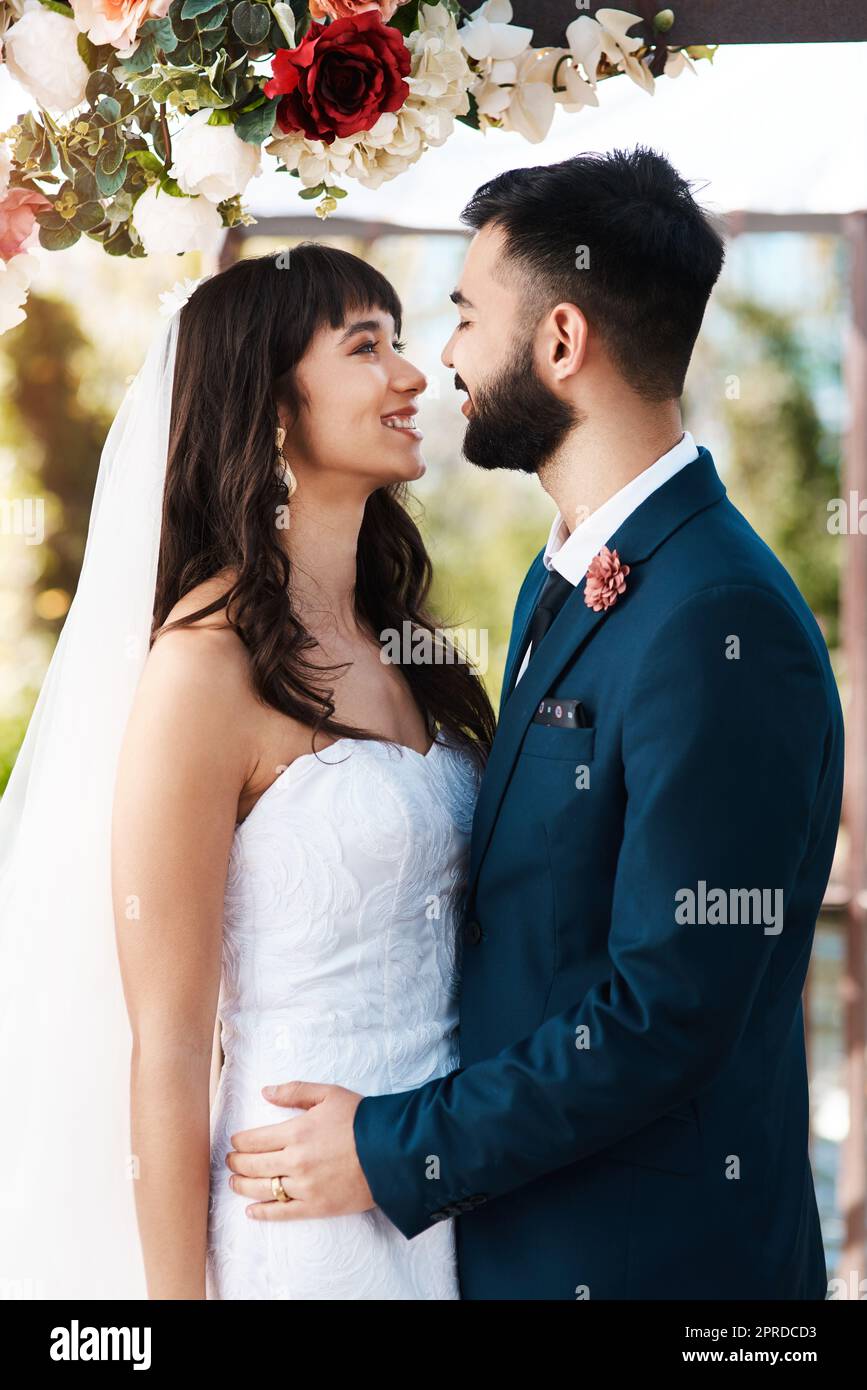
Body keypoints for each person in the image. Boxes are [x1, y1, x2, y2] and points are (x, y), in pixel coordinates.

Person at [226, 149, 843, 1301]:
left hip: (658, 1270)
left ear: (561, 342)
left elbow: (664, 1016)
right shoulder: (569, 577)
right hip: (514, 1245)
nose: (444, 358)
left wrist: (384, 1145)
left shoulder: (720, 617)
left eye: (463, 316)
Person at [0, 245, 493, 1299]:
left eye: (401, 342)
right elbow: (169, 1049)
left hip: (456, 1196)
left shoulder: (408, 644)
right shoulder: (202, 668)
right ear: (274, 408)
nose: (411, 375)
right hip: (301, 1230)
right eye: (367, 347)